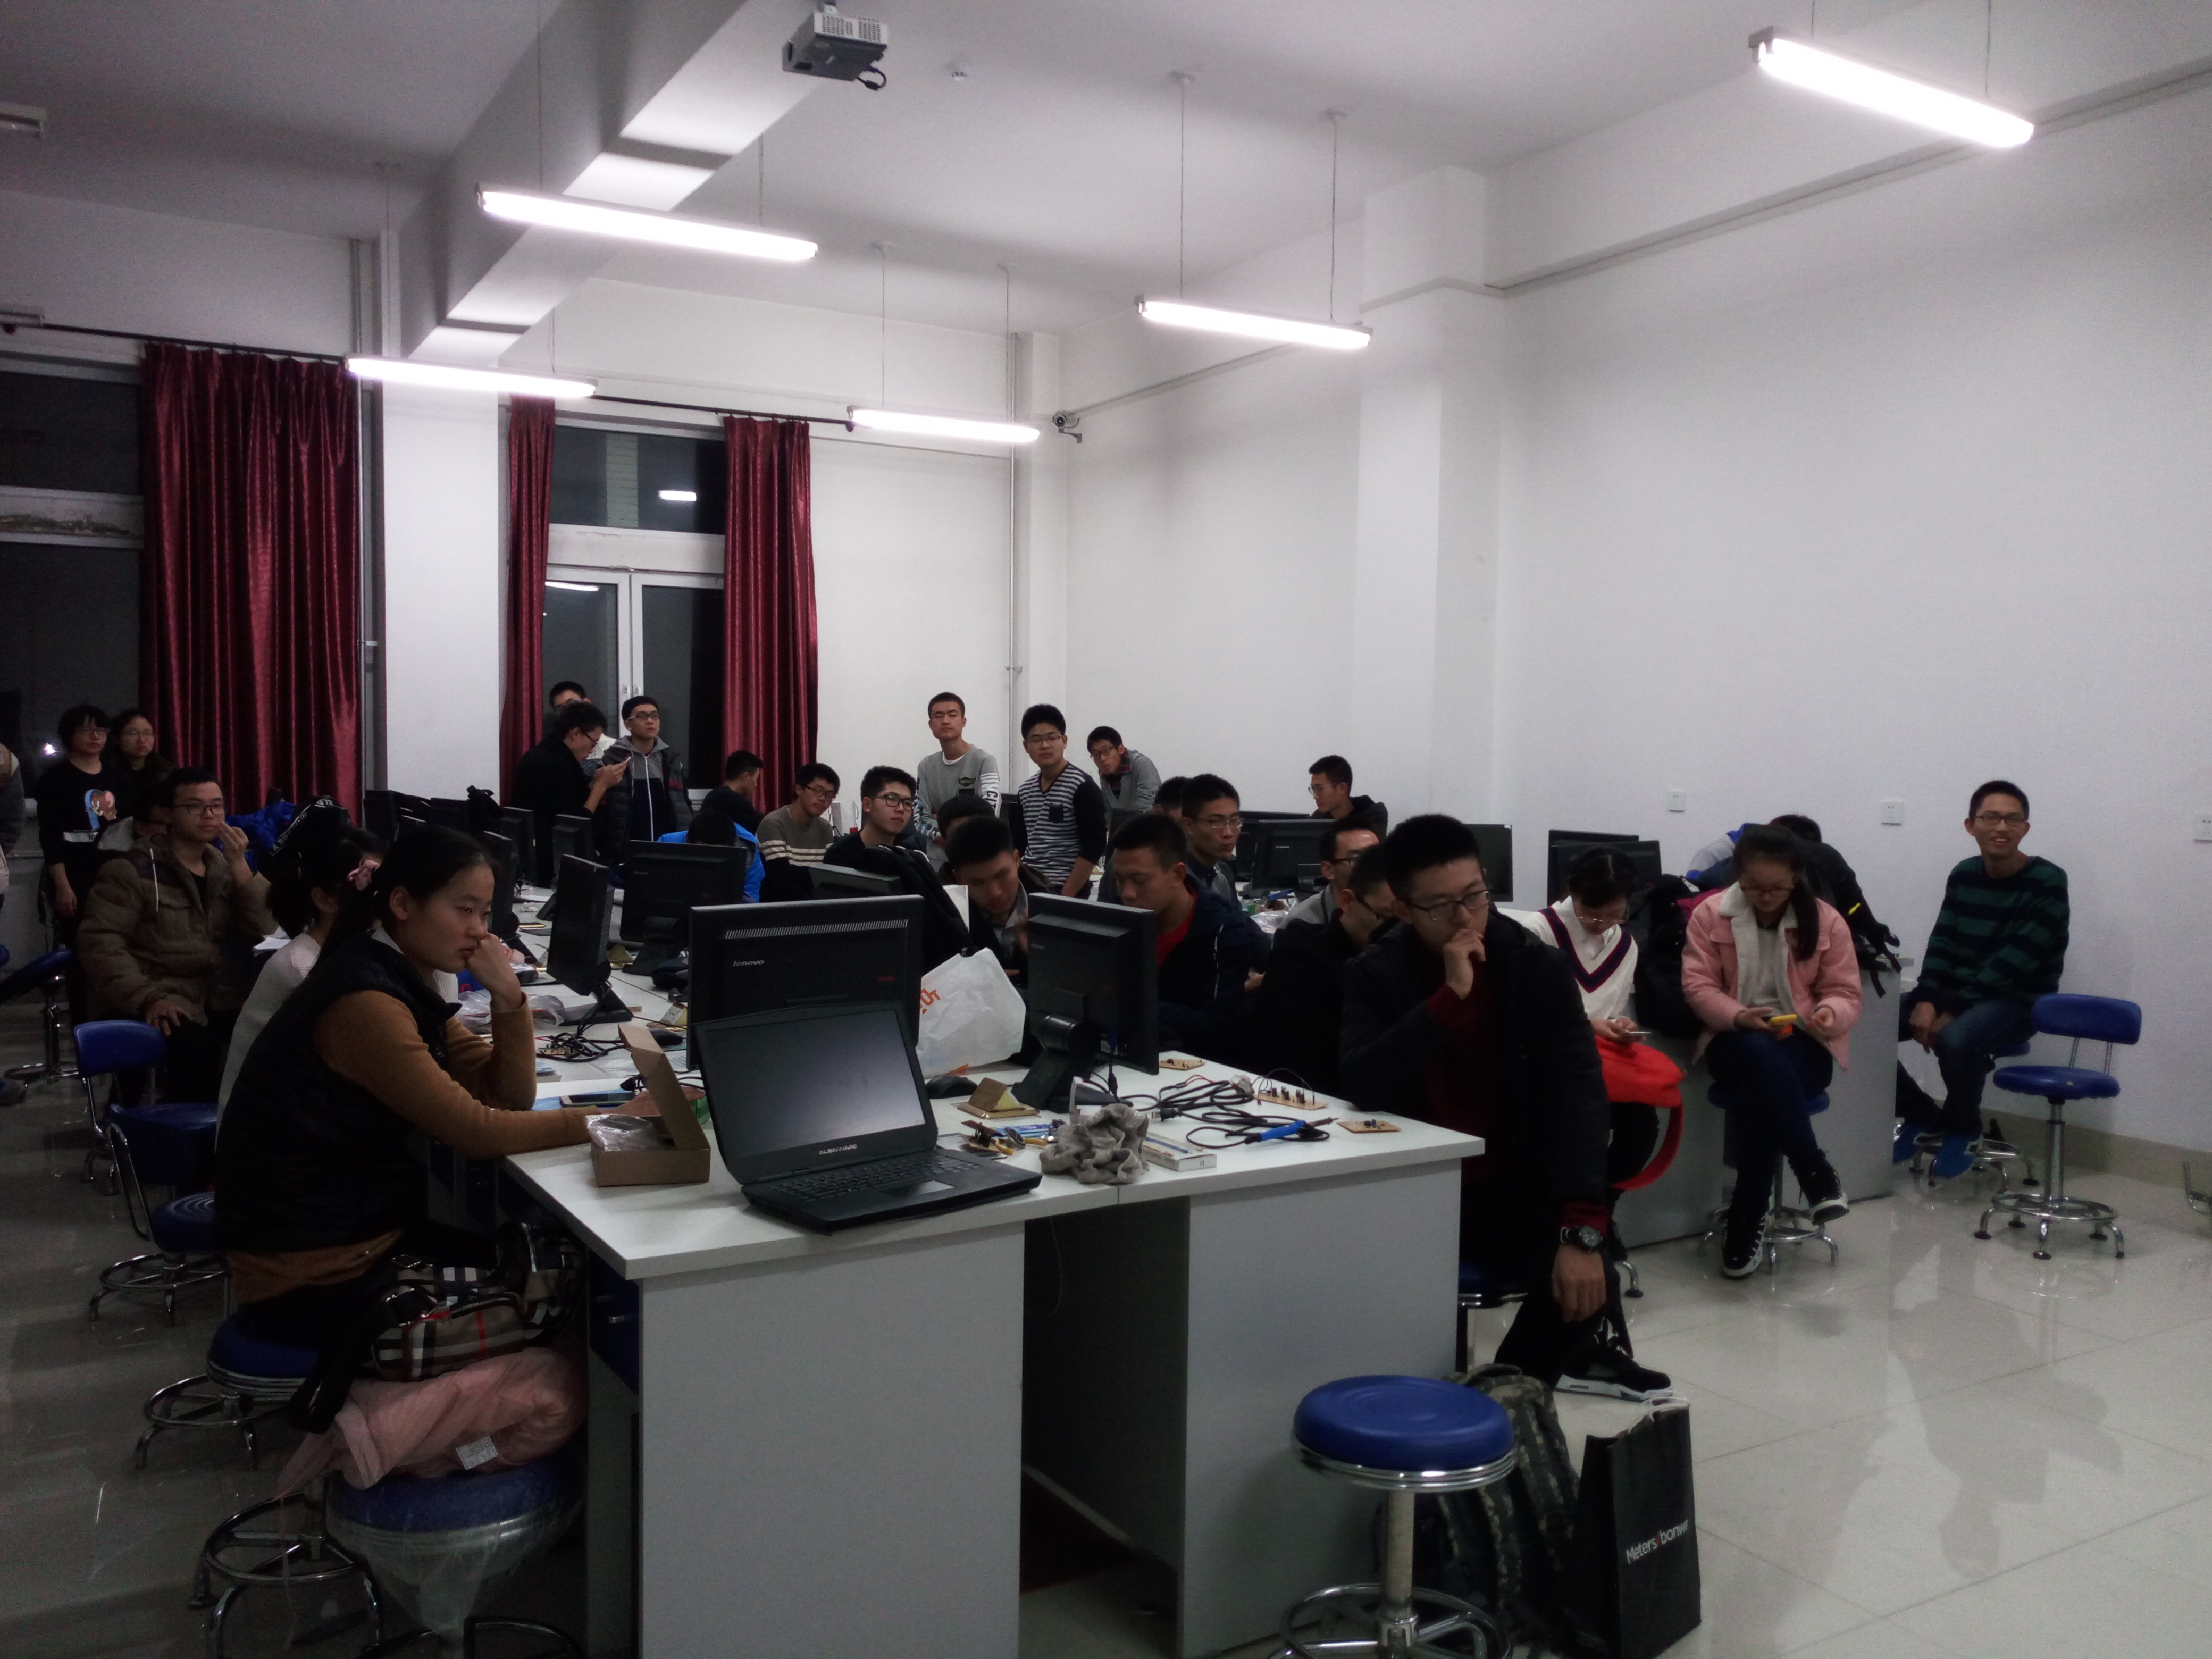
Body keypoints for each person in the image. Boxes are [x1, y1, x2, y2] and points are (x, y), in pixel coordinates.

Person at [216, 826, 596, 1350]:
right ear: (401, 904)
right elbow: (477, 1132)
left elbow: (508, 1098)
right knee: (561, 1301)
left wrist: (510, 998)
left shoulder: (394, 974)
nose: (479, 932)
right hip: (312, 1275)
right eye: (464, 910)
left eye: (485, 914)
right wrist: (613, 1123)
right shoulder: (366, 1001)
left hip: (352, 1239)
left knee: (553, 1266)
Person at [1339, 815, 1669, 1399]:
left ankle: (1495, 1405)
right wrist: (1448, 999)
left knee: (1587, 1285)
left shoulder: (1533, 965)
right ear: (1402, 909)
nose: (1466, 917)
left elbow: (1579, 1096)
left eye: (1474, 896)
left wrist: (1582, 1226)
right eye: (1442, 907)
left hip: (1511, 1180)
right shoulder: (1377, 971)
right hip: (1413, 1188)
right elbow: (1365, 1081)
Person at [1682, 823, 1861, 1278]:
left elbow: (1844, 991)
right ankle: (1812, 1166)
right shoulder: (1710, 915)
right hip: (1734, 1039)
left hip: (1804, 1044)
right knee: (1757, 1054)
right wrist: (1739, 1016)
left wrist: (1829, 1013)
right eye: (1754, 887)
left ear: (1796, 877)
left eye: (1777, 887)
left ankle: (1748, 1213)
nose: (1765, 896)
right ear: (1737, 878)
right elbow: (1698, 986)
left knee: (1755, 1094)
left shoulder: (1826, 920)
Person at [1895, 781, 2068, 1178]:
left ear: (2026, 828)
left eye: (2012, 819)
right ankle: (1921, 1113)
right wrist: (1927, 999)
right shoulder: (1964, 874)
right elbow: (1943, 941)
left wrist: (1951, 1008)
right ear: (1971, 825)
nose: (2001, 827)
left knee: (1957, 1039)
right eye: (1991, 818)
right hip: (1958, 994)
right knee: (1862, 1027)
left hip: (2017, 1001)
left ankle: (1963, 1128)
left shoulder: (2048, 880)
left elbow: (2016, 961)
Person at [76, 768, 277, 1103]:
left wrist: (241, 866)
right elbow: (100, 944)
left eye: (217, 806)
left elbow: (266, 927)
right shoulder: (132, 869)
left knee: (272, 1039)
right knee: (198, 1049)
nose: (209, 814)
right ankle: (174, 1128)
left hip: (210, 994)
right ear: (168, 814)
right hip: (148, 994)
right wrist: (146, 997)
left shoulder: (221, 867)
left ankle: (233, 1128)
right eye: (195, 806)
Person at [218, 811, 386, 1109]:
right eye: (372, 888)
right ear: (324, 899)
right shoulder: (302, 968)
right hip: (268, 1129)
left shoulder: (351, 953)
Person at [1109, 812, 1266, 1065]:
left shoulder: (1222, 929)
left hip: (1197, 1068)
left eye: (1139, 880)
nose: (1127, 893)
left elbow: (1221, 1027)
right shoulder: (1117, 918)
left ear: (1177, 875)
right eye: (1119, 880)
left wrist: (1138, 1007)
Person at [1246, 844, 1394, 1093]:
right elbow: (1293, 1070)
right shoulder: (1301, 962)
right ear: (1348, 901)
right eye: (1386, 918)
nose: (1396, 931)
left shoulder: (1404, 959)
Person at [821, 766, 969, 968]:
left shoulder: (912, 854)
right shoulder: (841, 855)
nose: (901, 809)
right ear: (867, 804)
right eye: (891, 799)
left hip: (908, 951)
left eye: (907, 803)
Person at [35, 703, 125, 933]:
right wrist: (62, 886)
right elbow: (51, 837)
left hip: (116, 873)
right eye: (87, 730)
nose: (95, 736)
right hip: (75, 873)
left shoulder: (118, 776)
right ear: (69, 735)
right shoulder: (55, 779)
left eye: (101, 730)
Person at [512, 701, 627, 873]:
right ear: (576, 734)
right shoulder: (551, 764)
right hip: (549, 863)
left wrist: (595, 782)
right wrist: (601, 786)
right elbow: (572, 825)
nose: (592, 750)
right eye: (593, 743)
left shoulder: (549, 755)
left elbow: (575, 798)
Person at [1009, 705, 1107, 897]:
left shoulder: (1082, 786)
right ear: (1026, 746)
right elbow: (1019, 844)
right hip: (1028, 884)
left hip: (1064, 888)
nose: (1045, 745)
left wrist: (1065, 896)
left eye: (1052, 738)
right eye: (1036, 739)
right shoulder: (1026, 790)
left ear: (1064, 741)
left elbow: (1094, 845)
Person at [944, 814, 1049, 987]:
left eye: (1002, 875)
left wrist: (1042, 957)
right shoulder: (943, 922)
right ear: (959, 880)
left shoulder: (1051, 910)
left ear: (1017, 860)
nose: (995, 893)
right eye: (978, 883)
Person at [601, 694, 692, 845]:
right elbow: (605, 810)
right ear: (628, 725)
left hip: (668, 845)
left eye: (654, 716)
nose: (650, 721)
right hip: (627, 846)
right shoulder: (614, 759)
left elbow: (683, 804)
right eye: (642, 716)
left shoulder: (671, 759)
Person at [915, 692, 1002, 848]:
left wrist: (940, 818)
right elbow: (920, 818)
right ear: (931, 724)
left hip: (975, 852)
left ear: (963, 722)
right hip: (937, 855)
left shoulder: (984, 761)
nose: (945, 721)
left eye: (952, 715)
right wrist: (945, 835)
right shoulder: (926, 766)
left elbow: (989, 813)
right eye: (939, 716)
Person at [755, 763, 840, 900]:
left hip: (814, 905)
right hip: (779, 907)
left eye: (830, 795)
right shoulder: (774, 824)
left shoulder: (825, 828)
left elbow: (825, 879)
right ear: (799, 789)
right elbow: (782, 881)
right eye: (818, 791)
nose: (823, 799)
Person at [1286, 818, 1382, 927]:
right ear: (1329, 870)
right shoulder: (1302, 923)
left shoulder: (1394, 909)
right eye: (1357, 859)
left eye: (1377, 857)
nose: (1372, 866)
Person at [1179, 774, 1244, 907]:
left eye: (1234, 821)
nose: (1228, 833)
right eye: (1216, 822)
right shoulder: (1176, 881)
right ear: (1189, 825)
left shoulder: (1221, 877)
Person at [681, 807, 764, 902]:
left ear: (732, 846)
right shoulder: (669, 842)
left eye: (717, 854)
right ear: (688, 840)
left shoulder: (749, 850)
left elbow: (751, 898)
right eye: (703, 852)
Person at [110, 707, 174, 830]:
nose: (142, 740)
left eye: (147, 733)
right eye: (133, 734)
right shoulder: (106, 772)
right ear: (117, 738)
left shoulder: (166, 771)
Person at [1087, 727, 1160, 814]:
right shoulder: (1104, 771)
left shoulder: (1141, 764)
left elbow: (1146, 808)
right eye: (1096, 754)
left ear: (1121, 749)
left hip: (1150, 821)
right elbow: (1107, 809)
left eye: (1106, 751)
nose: (1102, 758)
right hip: (1125, 821)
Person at [1308, 755, 1385, 833]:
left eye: (1320, 789)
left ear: (1342, 788)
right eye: (1313, 789)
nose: (1315, 796)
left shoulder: (1371, 817)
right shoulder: (1316, 820)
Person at [700, 749, 765, 834]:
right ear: (746, 776)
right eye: (756, 779)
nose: (756, 784)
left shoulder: (713, 795)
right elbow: (763, 826)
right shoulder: (735, 801)